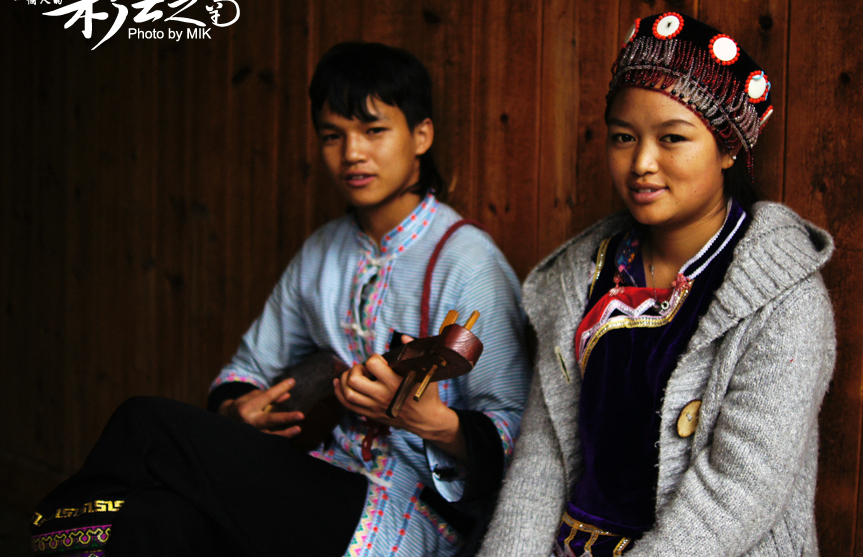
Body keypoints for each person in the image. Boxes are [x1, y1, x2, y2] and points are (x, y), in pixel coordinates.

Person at [30, 42, 530, 557]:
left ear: (421, 134)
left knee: (145, 423)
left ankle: (49, 531)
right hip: (313, 476)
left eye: (373, 130)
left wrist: (434, 423)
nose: (352, 153)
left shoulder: (468, 261)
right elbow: (245, 368)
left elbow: (515, 430)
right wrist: (238, 410)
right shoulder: (322, 251)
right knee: (152, 517)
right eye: (332, 135)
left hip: (408, 517)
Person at [476, 13, 836, 556]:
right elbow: (543, 459)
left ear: (728, 149)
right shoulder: (583, 276)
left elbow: (737, 492)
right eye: (624, 138)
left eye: (672, 138)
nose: (642, 162)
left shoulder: (783, 299)